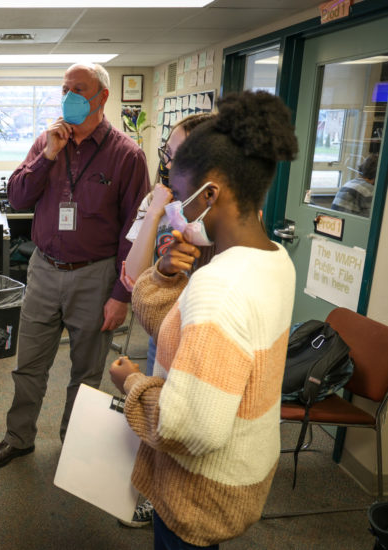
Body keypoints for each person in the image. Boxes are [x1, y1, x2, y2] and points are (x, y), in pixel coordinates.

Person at [109, 90, 298, 548]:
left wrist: (132, 383)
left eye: (180, 194)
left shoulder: (220, 285)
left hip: (196, 494)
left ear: (211, 193)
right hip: (240, 472)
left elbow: (188, 428)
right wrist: (165, 275)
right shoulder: (273, 259)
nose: (176, 208)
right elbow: (183, 331)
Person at [0, 63, 149, 470]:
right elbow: (18, 198)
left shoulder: (127, 155)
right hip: (43, 269)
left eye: (79, 89)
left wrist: (121, 295)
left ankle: (74, 445)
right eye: (65, 89)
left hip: (96, 274)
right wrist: (48, 155)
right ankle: (19, 438)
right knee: (28, 365)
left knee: (86, 372)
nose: (69, 96)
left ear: (102, 96)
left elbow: (136, 231)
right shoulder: (46, 141)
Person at [116, 112, 215, 529]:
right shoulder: (158, 200)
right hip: (163, 326)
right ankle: (159, 498)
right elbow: (134, 276)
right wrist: (156, 210)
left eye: (175, 154)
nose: (167, 163)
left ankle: (180, 508)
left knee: (190, 423)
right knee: (163, 414)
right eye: (166, 153)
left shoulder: (222, 213)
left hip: (203, 335)